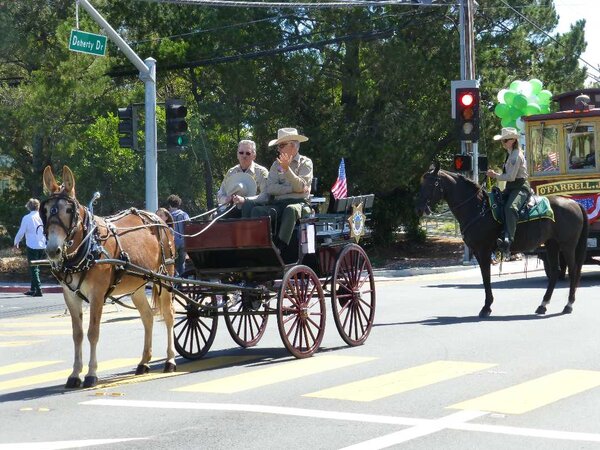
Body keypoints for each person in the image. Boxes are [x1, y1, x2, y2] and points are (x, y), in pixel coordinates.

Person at [243, 127, 313, 250]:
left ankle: (280, 248)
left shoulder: (305, 163)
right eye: (278, 146)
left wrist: (287, 170)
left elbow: (301, 186)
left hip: (300, 204)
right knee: (257, 211)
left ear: (292, 145)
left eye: (281, 145)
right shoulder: (276, 165)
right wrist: (293, 189)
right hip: (278, 203)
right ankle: (257, 246)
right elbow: (270, 188)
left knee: (291, 210)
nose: (278, 149)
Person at [486, 127, 530, 253]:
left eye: (505, 140)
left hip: (520, 187)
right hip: (511, 188)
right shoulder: (511, 153)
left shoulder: (515, 156)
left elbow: (510, 177)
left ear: (513, 140)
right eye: (502, 140)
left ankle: (508, 240)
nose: (503, 143)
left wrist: (495, 175)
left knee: (510, 208)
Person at [217, 139, 269, 217]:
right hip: (231, 209)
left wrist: (245, 200)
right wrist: (226, 199)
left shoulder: (261, 172)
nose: (244, 156)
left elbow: (266, 196)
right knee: (216, 221)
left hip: (253, 211)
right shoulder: (231, 172)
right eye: (241, 153)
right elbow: (220, 194)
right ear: (237, 155)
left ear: (254, 156)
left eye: (248, 153)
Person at [13, 198, 46, 297]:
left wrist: (16, 243)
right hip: (43, 245)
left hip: (32, 245)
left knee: (33, 268)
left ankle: (38, 289)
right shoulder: (43, 216)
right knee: (37, 268)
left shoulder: (27, 218)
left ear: (29, 207)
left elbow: (21, 232)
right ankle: (32, 289)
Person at [166, 194, 190, 276]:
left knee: (173, 263)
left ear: (169, 205)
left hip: (173, 243)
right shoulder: (184, 214)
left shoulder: (168, 216)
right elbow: (189, 225)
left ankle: (174, 280)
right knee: (181, 263)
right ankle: (182, 280)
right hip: (183, 242)